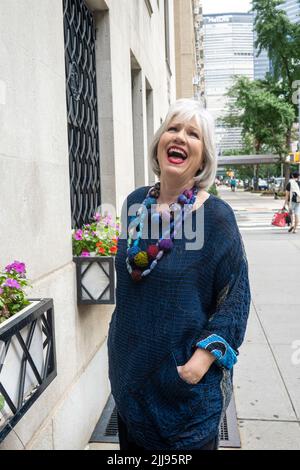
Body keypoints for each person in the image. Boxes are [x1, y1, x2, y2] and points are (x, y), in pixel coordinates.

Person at [107, 99, 251, 451]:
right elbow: (133, 279)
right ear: (159, 142)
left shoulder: (216, 218)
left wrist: (196, 366)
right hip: (129, 384)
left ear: (203, 158)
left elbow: (235, 301)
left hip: (185, 403)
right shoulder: (134, 204)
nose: (180, 138)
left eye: (193, 134)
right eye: (173, 129)